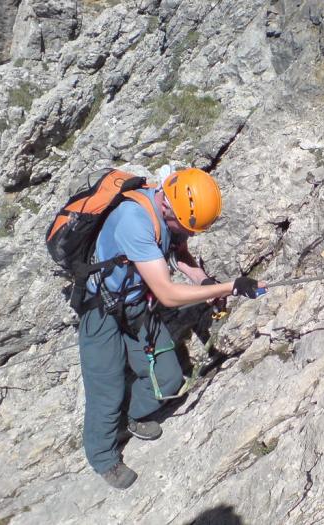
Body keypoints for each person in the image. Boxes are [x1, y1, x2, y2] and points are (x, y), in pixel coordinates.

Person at [78, 167, 266, 489]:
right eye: (187, 227)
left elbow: (178, 253)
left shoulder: (169, 212)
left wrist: (205, 281)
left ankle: (135, 417)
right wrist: (227, 288)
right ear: (167, 205)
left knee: (166, 377)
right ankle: (103, 457)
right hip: (101, 310)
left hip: (137, 306)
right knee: (106, 390)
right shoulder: (133, 221)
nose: (190, 234)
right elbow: (167, 293)